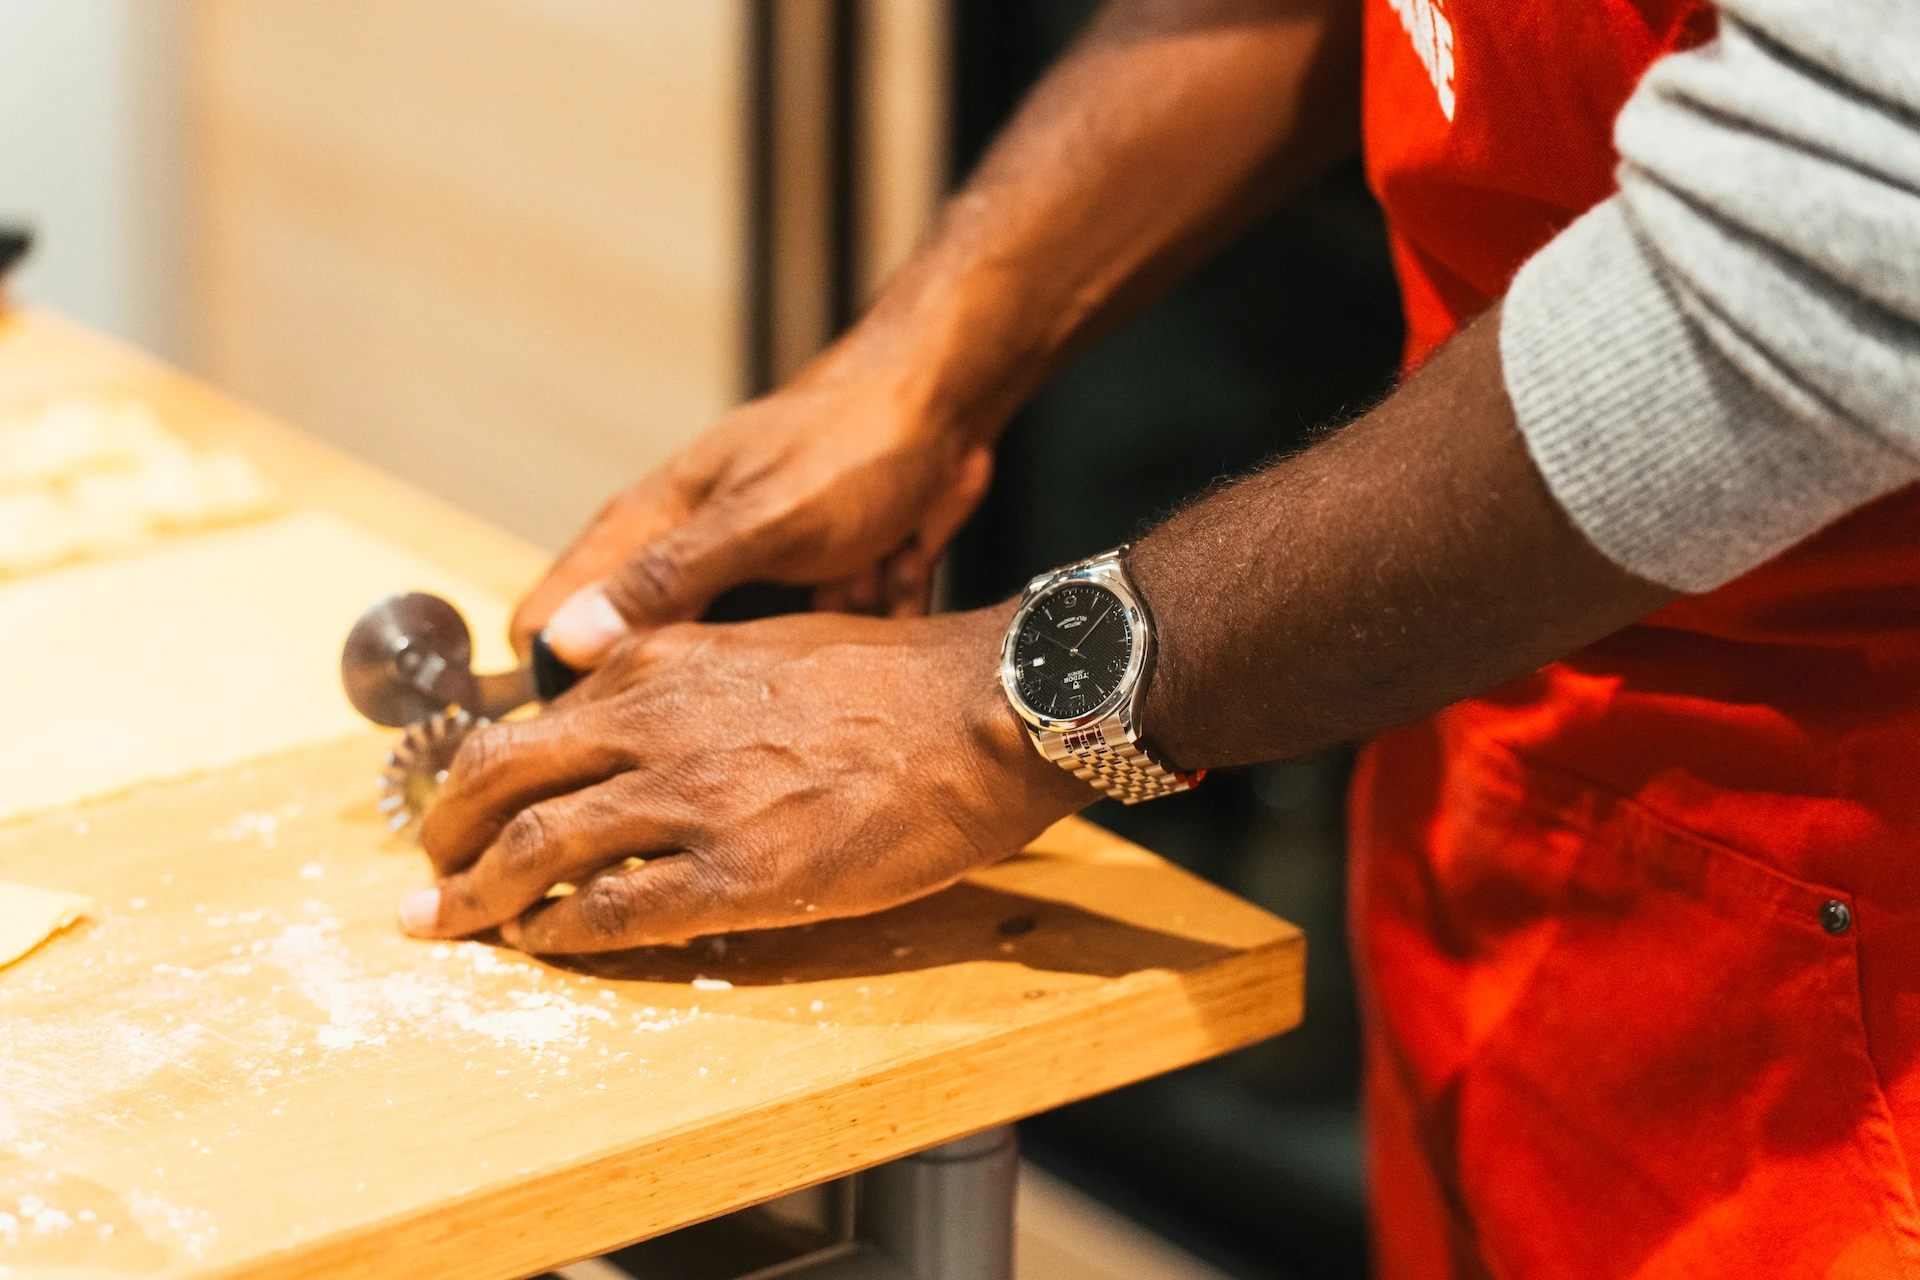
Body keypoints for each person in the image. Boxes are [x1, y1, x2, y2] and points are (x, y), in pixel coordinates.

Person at [397, 0, 1920, 1270]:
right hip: (1499, 770)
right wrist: (932, 349)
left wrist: (1016, 701)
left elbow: (1845, 236)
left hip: (1858, 916)